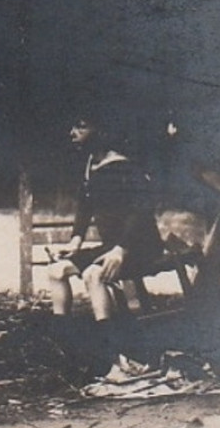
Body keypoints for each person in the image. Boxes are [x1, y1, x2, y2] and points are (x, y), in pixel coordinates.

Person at [45, 113, 165, 380]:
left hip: (140, 246)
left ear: (102, 131)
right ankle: (68, 352)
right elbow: (85, 204)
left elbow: (141, 210)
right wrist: (75, 242)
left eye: (82, 126)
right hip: (111, 246)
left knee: (93, 275)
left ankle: (115, 358)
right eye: (73, 125)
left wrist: (121, 249)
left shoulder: (123, 166)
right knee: (57, 271)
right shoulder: (90, 164)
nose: (73, 132)